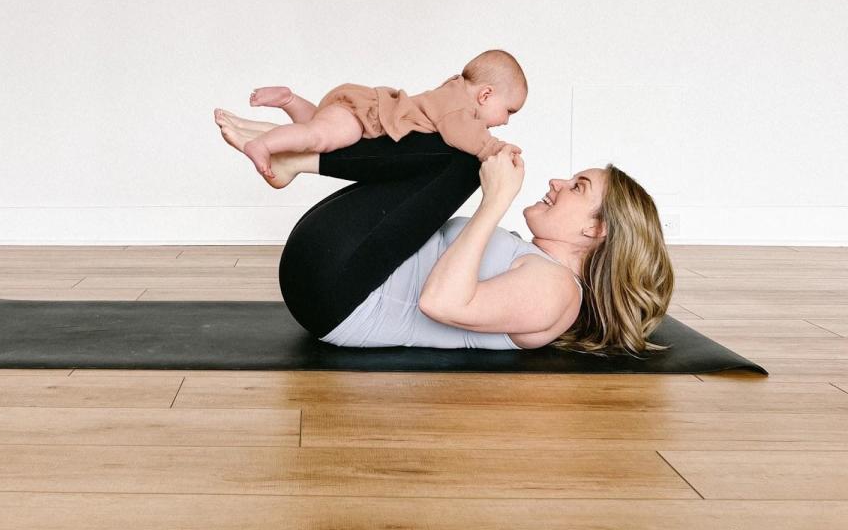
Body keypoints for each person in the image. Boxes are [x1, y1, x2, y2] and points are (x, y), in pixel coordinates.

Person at [213, 102, 674, 358]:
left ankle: (296, 154)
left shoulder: (558, 295)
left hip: (340, 292)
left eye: (578, 187)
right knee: (459, 136)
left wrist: (494, 200)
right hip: (339, 273)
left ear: (597, 232)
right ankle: (298, 153)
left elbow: (441, 303)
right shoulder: (542, 270)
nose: (556, 183)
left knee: (463, 153)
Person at [234, 50, 528, 182]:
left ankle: (290, 100)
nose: (505, 121)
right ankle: (262, 145)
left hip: (360, 108)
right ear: (486, 95)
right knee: (320, 137)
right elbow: (462, 134)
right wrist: (494, 148)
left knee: (319, 130)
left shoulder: (454, 92)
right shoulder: (458, 108)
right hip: (367, 113)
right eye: (508, 111)